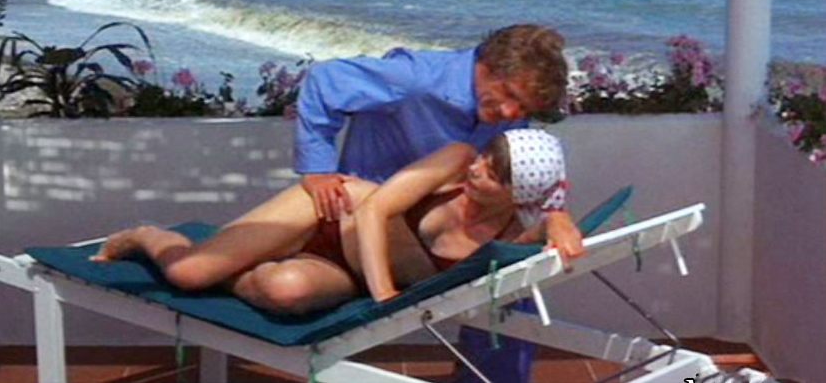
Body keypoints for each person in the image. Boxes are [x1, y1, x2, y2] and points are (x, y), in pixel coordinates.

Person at [293, 24, 571, 382]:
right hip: (374, 222)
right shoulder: (415, 79)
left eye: (524, 108)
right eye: (508, 95)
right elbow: (324, 80)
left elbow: (528, 171)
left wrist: (555, 215)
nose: (511, 112)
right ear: (488, 65)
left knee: (514, 275)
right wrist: (317, 169)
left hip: (434, 228)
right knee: (497, 281)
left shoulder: (508, 109)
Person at [91, 130, 583, 315]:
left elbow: (539, 233)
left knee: (286, 291)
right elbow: (372, 208)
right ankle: (146, 235)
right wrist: (386, 297)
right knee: (187, 273)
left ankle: (234, 266)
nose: (477, 169)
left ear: (516, 195)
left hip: (351, 269)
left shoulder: (508, 232)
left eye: (492, 174)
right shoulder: (455, 160)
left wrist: (557, 219)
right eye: (484, 158)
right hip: (325, 214)